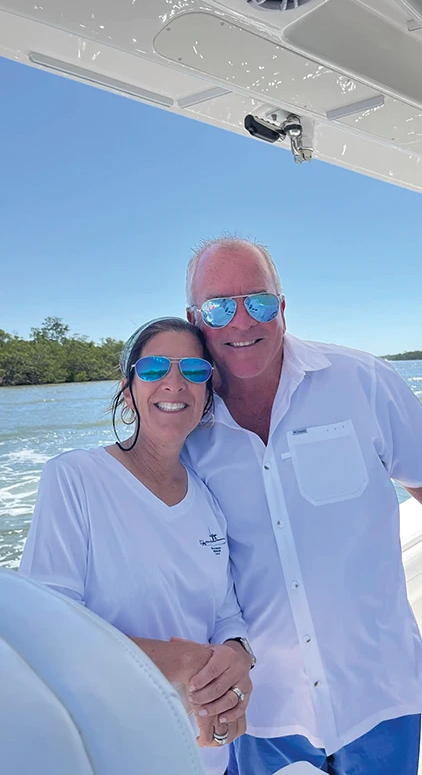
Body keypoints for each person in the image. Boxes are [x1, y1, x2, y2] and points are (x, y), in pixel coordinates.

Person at [183, 236, 422, 775]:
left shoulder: (361, 382)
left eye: (258, 301)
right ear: (195, 319)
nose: (241, 321)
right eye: (218, 307)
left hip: (378, 696)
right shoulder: (183, 427)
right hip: (262, 711)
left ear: (282, 307)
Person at [19, 316, 254, 775]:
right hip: (107, 757)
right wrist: (189, 661)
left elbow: (227, 615)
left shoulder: (208, 500)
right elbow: (45, 634)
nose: (174, 383)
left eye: (193, 370)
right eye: (152, 370)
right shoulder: (75, 478)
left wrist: (235, 664)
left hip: (204, 759)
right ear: (128, 391)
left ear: (207, 395)